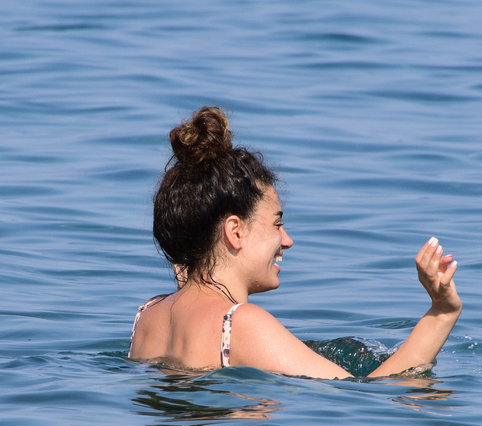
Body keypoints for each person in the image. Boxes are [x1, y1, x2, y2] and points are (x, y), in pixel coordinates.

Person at [128, 106, 462, 379]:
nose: (287, 240)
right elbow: (374, 393)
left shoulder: (147, 316)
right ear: (235, 231)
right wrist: (442, 312)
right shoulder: (241, 324)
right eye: (277, 223)